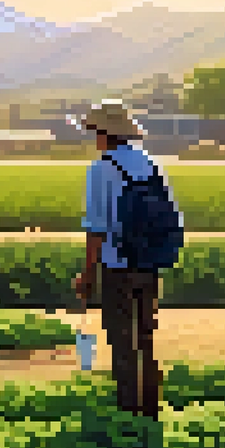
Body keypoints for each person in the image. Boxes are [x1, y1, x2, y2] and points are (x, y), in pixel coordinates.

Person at [73, 100, 184, 420]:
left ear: (104, 133)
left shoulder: (102, 169)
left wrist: (86, 275)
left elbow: (96, 229)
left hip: (117, 265)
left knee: (123, 342)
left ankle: (128, 415)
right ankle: (151, 411)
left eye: (94, 131)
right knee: (146, 339)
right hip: (149, 263)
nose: (92, 137)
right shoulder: (150, 164)